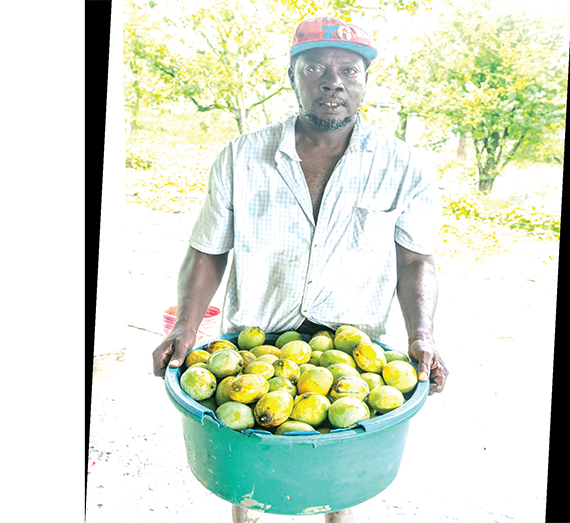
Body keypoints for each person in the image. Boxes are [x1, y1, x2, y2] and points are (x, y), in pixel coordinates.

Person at [152, 16, 449, 523]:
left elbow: (416, 260)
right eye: (316, 67)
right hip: (251, 343)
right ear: (292, 77)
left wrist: (422, 335)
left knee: (341, 471)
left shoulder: (405, 166)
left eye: (349, 70)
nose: (332, 80)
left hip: (353, 351)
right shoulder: (240, 158)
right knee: (247, 462)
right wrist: (184, 326)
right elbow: (207, 250)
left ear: (364, 82)